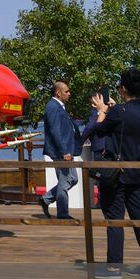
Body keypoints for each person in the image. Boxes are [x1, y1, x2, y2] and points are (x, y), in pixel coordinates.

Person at [89, 67, 140, 278]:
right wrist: (114, 110)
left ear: (124, 89)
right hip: (135, 171)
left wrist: (102, 110)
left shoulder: (118, 112)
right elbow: (127, 129)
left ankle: (114, 267)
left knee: (114, 218)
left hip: (115, 174)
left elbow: (97, 130)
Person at [39, 80, 82, 220]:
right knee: (64, 182)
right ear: (58, 93)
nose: (69, 94)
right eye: (66, 91)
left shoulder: (59, 106)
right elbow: (55, 131)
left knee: (73, 179)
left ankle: (46, 199)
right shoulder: (53, 107)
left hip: (65, 150)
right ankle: (63, 214)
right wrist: (64, 152)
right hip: (61, 152)